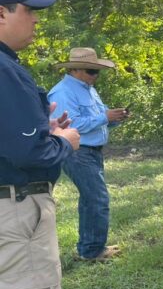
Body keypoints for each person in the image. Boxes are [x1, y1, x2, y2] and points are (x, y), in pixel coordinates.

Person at [0, 0, 80, 289]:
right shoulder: (3, 68)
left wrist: (40, 129)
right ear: (1, 12)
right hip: (14, 214)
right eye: (28, 9)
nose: (34, 19)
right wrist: (64, 139)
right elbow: (30, 153)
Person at [48, 48, 128, 262]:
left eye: (97, 71)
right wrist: (104, 116)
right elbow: (70, 125)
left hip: (92, 151)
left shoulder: (88, 89)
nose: (95, 75)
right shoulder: (62, 92)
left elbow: (94, 120)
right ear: (74, 69)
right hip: (77, 152)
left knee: (91, 199)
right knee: (97, 198)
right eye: (91, 71)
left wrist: (113, 119)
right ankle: (92, 251)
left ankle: (90, 248)